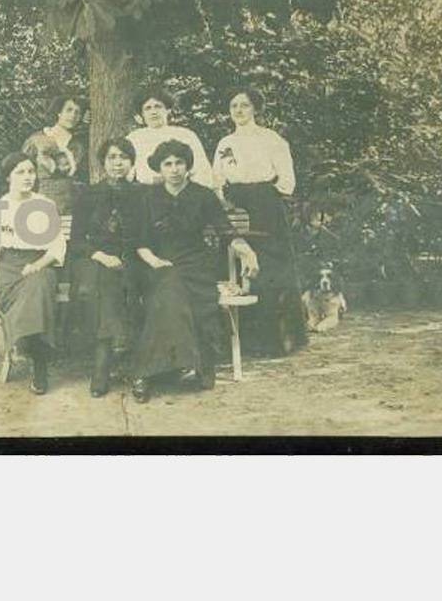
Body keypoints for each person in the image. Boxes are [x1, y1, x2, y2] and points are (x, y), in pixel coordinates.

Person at [130, 139, 259, 403]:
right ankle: (151, 371)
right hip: (158, 263)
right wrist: (154, 261)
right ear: (159, 168)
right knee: (167, 288)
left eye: (179, 163)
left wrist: (246, 251)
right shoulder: (148, 197)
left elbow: (225, 231)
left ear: (188, 166)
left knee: (176, 292)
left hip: (195, 265)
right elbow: (140, 241)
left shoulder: (203, 195)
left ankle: (159, 370)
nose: (174, 169)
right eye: (168, 164)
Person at [212, 88, 308, 356]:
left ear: (255, 108)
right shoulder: (225, 143)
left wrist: (266, 196)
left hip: (266, 206)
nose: (239, 110)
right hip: (234, 205)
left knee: (272, 268)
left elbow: (287, 181)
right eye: (234, 105)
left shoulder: (271, 139)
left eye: (244, 105)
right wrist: (224, 202)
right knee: (235, 264)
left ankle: (275, 341)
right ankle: (240, 340)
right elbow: (216, 179)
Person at [0, 153, 66, 395]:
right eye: (20, 172)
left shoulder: (45, 205)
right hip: (8, 270)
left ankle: (37, 359)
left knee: (39, 284)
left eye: (31, 171)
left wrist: (38, 265)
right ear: (8, 177)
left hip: (40, 264)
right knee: (31, 293)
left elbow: (57, 247)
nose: (28, 177)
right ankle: (37, 350)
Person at [68, 137, 144, 397]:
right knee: (106, 282)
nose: (117, 163)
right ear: (103, 163)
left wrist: (133, 256)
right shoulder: (88, 195)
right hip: (94, 259)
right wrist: (100, 255)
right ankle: (116, 363)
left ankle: (110, 363)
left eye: (123, 157)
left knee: (128, 284)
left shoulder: (142, 194)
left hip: (134, 258)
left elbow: (149, 235)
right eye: (112, 157)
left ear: (132, 162)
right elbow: (76, 240)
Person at [126, 87, 213, 188]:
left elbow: (202, 171)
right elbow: (126, 173)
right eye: (148, 108)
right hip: (145, 192)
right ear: (142, 114)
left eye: (158, 106)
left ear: (168, 110)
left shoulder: (185, 135)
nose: (153, 112)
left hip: (181, 190)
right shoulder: (133, 138)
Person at [22, 95, 88, 214]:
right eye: (69, 110)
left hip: (72, 205)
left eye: (77, 112)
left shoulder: (78, 144)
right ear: (59, 112)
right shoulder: (37, 139)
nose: (73, 116)